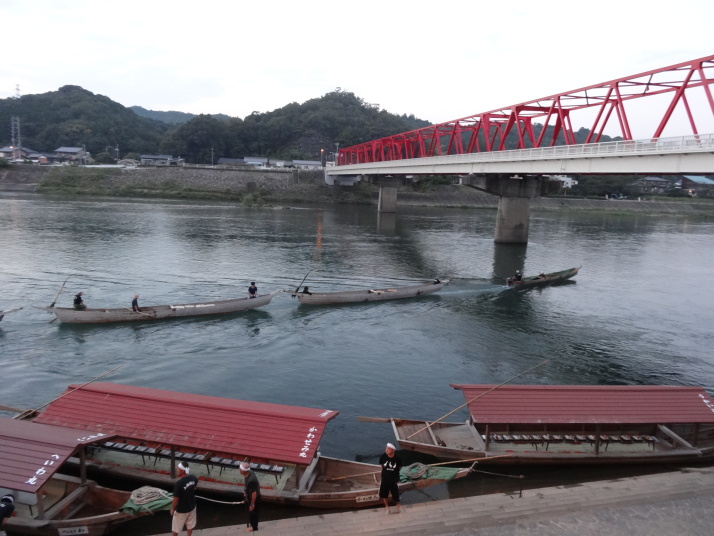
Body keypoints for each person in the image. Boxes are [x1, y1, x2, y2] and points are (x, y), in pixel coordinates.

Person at [170, 462, 198, 536]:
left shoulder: (179, 483)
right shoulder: (193, 477)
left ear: (182, 471)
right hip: (192, 506)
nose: (177, 470)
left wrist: (172, 509)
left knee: (176, 529)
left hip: (182, 510)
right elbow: (195, 486)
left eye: (178, 469)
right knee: (190, 525)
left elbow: (176, 498)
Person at [379, 442, 403, 514]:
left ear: (393, 450)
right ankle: (387, 507)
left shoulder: (397, 458)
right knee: (384, 494)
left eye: (389, 449)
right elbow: (382, 465)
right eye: (386, 448)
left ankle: (398, 505)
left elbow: (400, 467)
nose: (387, 450)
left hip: (393, 479)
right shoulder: (383, 456)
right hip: (385, 478)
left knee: (396, 494)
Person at [239, 462, 261, 532]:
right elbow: (247, 486)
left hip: (254, 498)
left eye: (240, 469)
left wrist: (252, 504)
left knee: (253, 512)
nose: (239, 470)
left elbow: (254, 494)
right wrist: (246, 491)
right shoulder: (249, 472)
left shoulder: (251, 480)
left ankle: (254, 527)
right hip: (249, 495)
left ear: (243, 471)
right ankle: (252, 525)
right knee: (251, 512)